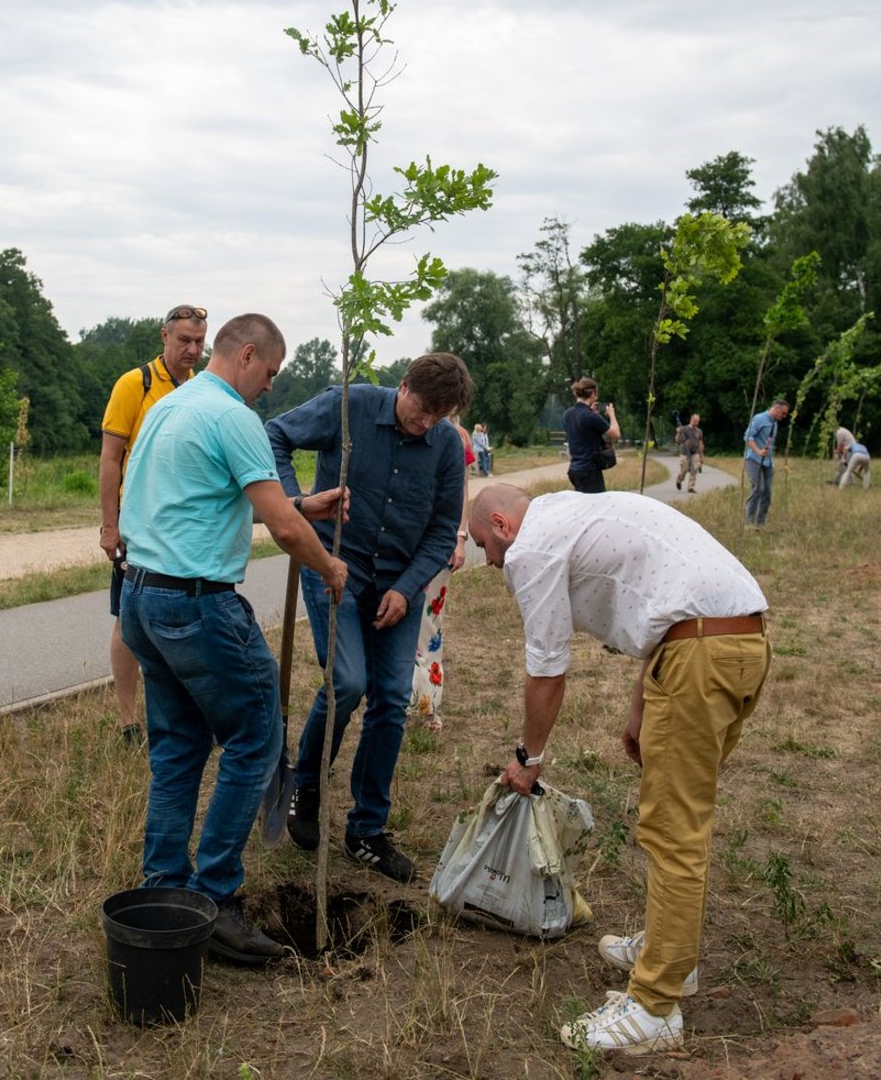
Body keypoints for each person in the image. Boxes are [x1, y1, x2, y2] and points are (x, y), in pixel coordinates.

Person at [469, 483, 770, 1055]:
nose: (488, 560)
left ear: (504, 525)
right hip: (731, 641)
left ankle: (657, 1005)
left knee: (674, 832)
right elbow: (665, 605)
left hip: (700, 656)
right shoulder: (563, 510)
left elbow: (547, 671)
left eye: (486, 544)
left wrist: (528, 761)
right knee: (677, 820)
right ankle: (667, 952)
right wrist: (642, 705)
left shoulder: (530, 549)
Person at [118, 314, 348, 966]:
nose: (268, 389)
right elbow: (278, 528)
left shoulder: (171, 407)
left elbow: (212, 497)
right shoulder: (233, 416)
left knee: (179, 748)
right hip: (195, 605)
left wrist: (308, 506)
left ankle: (165, 891)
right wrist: (328, 566)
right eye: (270, 374)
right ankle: (215, 899)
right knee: (257, 736)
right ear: (247, 355)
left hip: (141, 598)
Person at [266, 353, 473, 884]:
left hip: (399, 582)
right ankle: (306, 785)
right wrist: (297, 503)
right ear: (402, 386)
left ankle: (366, 830)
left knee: (390, 699)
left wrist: (407, 591)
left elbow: (442, 528)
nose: (426, 423)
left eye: (439, 415)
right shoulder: (352, 404)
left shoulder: (447, 444)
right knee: (347, 680)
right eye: (422, 409)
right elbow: (276, 434)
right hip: (334, 562)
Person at [99, 305, 208, 743]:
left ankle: (181, 714)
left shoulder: (201, 387)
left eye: (199, 342)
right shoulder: (135, 384)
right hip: (137, 525)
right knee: (128, 620)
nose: (192, 349)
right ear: (164, 336)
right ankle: (129, 722)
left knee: (184, 616)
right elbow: (109, 459)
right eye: (184, 340)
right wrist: (110, 526)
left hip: (183, 528)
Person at [410, 418, 475, 731]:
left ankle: (427, 706)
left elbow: (463, 491)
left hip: (438, 544)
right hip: (402, 542)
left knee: (428, 628)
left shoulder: (456, 437)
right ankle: (402, 701)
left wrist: (459, 537)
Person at [562, 377, 620, 494]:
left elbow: (582, 433)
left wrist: (591, 413)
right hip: (589, 471)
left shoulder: (567, 414)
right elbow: (616, 434)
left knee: (583, 507)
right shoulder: (590, 416)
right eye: (596, 394)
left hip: (574, 470)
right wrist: (612, 414)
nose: (597, 397)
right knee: (596, 508)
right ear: (593, 393)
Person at [743, 398, 790, 527]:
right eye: (783, 413)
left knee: (767, 492)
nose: (784, 416)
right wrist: (758, 451)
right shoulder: (759, 419)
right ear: (776, 409)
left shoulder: (775, 423)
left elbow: (768, 442)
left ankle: (760, 523)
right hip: (753, 459)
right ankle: (749, 522)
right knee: (758, 488)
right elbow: (748, 436)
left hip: (768, 462)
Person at [674, 413, 704, 493]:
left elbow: (700, 443)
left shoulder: (699, 431)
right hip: (685, 453)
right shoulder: (684, 429)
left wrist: (701, 455)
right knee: (684, 470)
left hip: (695, 453)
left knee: (695, 469)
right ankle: (679, 480)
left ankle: (690, 487)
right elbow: (677, 441)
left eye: (698, 421)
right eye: (695, 421)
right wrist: (679, 433)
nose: (696, 423)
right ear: (691, 420)